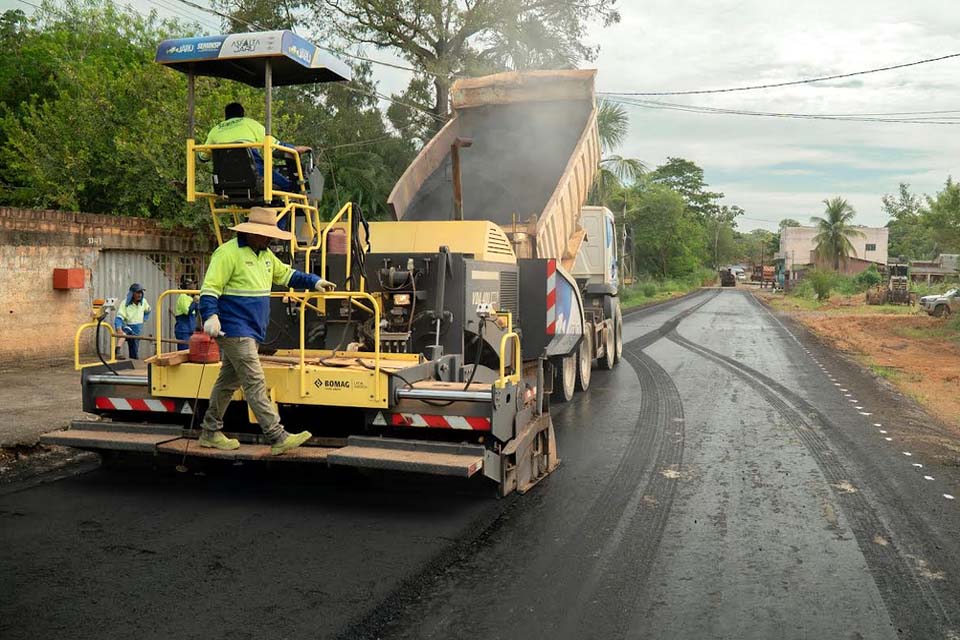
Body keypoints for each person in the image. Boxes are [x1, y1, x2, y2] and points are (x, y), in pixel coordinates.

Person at [197, 207, 336, 455]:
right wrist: (210, 316)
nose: (269, 238)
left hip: (251, 329)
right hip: (234, 328)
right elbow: (210, 288)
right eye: (265, 234)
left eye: (271, 235)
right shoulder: (227, 254)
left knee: (228, 382)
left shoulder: (266, 255)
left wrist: (314, 281)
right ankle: (277, 435)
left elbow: (287, 275)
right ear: (250, 233)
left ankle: (210, 431)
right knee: (255, 381)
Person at [200, 102, 310, 192]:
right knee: (289, 186)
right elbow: (276, 147)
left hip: (224, 182)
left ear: (226, 116)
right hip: (252, 173)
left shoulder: (215, 130)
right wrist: (293, 148)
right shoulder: (250, 124)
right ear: (242, 114)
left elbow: (202, 157)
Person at [114, 283, 151, 360]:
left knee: (134, 349)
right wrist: (118, 327)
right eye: (137, 292)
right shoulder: (125, 303)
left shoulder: (143, 302)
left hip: (137, 329)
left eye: (141, 292)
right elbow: (119, 317)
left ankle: (134, 360)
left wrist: (145, 318)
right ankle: (117, 350)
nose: (139, 294)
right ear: (132, 293)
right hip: (128, 325)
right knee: (125, 333)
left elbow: (148, 310)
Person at [173, 276, 199, 351]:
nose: (194, 286)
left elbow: (195, 314)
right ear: (187, 286)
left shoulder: (190, 298)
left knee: (190, 351)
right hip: (184, 330)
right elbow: (187, 312)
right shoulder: (183, 296)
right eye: (192, 284)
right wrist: (194, 303)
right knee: (184, 352)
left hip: (190, 330)